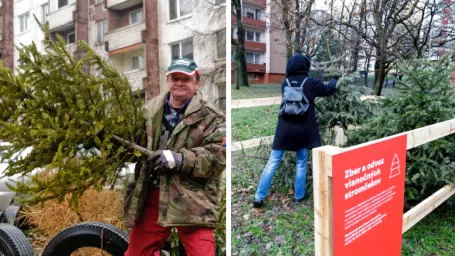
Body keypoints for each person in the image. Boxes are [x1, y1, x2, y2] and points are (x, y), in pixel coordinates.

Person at [124, 58, 226, 255]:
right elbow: (132, 146)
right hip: (154, 194)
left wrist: (180, 159)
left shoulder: (212, 116)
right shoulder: (148, 112)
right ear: (167, 80)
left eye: (186, 79)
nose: (179, 83)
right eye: (175, 77)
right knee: (137, 253)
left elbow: (219, 156)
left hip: (194, 201)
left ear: (197, 83)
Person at [253, 55, 337, 207]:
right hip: (303, 130)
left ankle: (259, 197)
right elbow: (329, 90)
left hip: (284, 130)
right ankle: (299, 197)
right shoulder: (311, 83)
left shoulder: (285, 83)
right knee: (301, 163)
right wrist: (335, 79)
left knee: (272, 162)